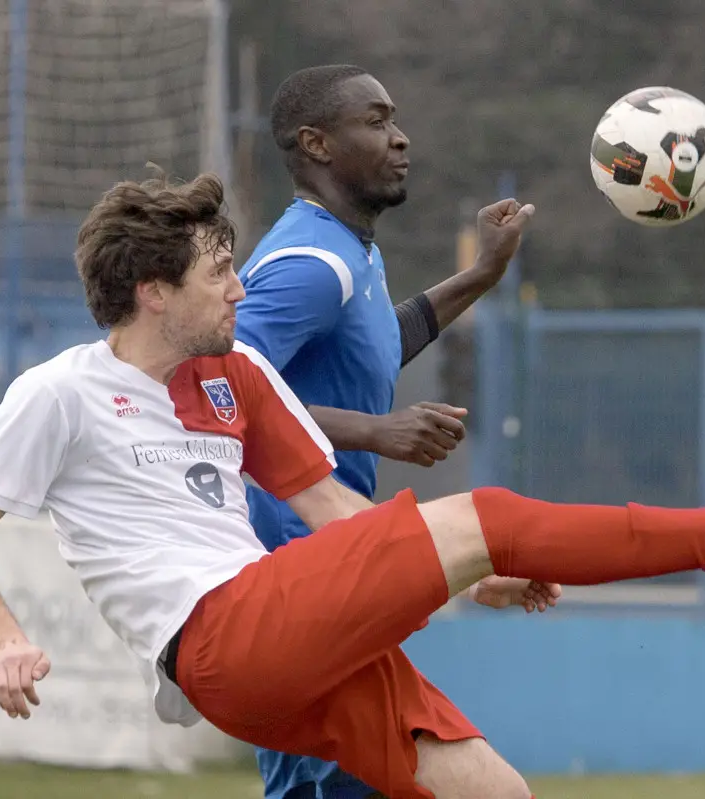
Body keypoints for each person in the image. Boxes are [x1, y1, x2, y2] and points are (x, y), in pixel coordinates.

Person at [0, 171, 705, 799]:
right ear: (151, 291)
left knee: (497, 792)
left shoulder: (240, 379)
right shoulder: (58, 391)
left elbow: (334, 512)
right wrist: (7, 639)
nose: (239, 291)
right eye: (220, 273)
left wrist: (458, 565)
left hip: (272, 653)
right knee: (493, 512)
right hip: (219, 634)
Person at [235, 64, 533, 798]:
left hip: (335, 576)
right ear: (318, 143)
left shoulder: (349, 250)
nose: (400, 138)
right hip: (301, 587)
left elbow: (373, 344)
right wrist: (376, 430)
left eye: (394, 118)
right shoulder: (308, 263)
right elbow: (223, 392)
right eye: (376, 121)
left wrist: (481, 277)